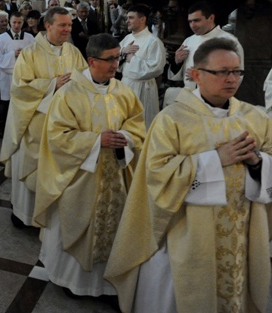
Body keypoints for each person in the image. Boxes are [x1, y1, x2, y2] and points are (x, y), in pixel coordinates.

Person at [106, 38, 272, 313]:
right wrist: (215, 160)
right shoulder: (172, 120)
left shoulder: (255, 118)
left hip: (241, 231)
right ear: (196, 75)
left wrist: (257, 163)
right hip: (186, 233)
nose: (231, 79)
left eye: (237, 72)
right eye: (221, 72)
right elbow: (157, 175)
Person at [33, 33, 146, 298]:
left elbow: (137, 122)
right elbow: (57, 136)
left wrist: (125, 138)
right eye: (110, 59)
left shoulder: (122, 90)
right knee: (77, 228)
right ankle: (72, 281)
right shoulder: (70, 93)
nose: (115, 64)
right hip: (80, 178)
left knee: (112, 229)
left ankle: (106, 284)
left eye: (118, 57)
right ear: (92, 61)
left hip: (115, 176)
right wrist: (96, 141)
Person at [0, 7, 87, 227]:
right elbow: (19, 89)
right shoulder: (30, 53)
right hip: (35, 124)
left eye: (69, 25)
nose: (68, 29)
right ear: (48, 26)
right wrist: (51, 85)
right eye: (62, 25)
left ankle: (52, 216)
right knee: (33, 171)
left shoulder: (73, 52)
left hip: (65, 126)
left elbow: (85, 82)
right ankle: (24, 216)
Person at [164, 1, 243, 107]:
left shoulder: (229, 41)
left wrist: (205, 80)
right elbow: (180, 75)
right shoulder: (189, 41)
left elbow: (237, 75)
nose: (193, 25)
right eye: (190, 21)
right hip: (189, 97)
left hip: (215, 99)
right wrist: (177, 62)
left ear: (211, 18)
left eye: (196, 20)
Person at [118, 4, 166, 128]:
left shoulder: (153, 41)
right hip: (126, 84)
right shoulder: (127, 38)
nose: (127, 21)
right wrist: (123, 53)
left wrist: (132, 59)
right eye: (127, 18)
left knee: (142, 124)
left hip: (143, 88)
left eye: (131, 18)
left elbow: (156, 68)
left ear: (142, 19)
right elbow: (114, 59)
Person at [0, 12, 35, 103]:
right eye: (14, 22)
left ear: (23, 23)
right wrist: (13, 55)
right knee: (8, 104)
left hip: (24, 76)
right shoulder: (1, 38)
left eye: (19, 22)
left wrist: (25, 54)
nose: (16, 25)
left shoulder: (30, 38)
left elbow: (35, 57)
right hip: (7, 77)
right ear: (9, 22)